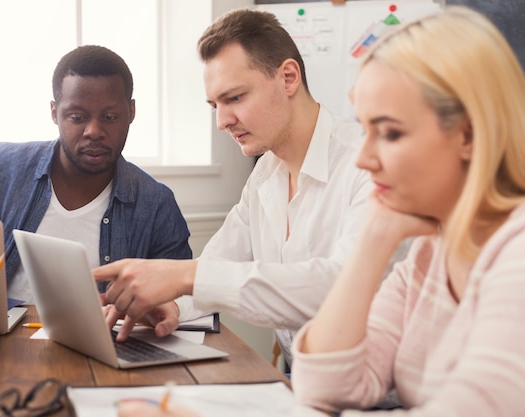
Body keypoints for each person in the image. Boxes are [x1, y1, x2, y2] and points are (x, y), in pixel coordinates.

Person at [93, 8, 408, 369]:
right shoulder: (265, 175)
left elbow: (340, 284)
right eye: (215, 105)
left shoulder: (369, 165)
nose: (222, 121)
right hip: (302, 379)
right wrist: (173, 306)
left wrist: (183, 276)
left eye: (235, 98)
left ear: (288, 78)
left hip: (388, 396)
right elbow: (219, 265)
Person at [288, 6, 525, 416]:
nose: (362, 159)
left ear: (468, 134)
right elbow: (324, 387)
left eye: (390, 133)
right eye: (365, 130)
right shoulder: (430, 252)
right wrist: (375, 236)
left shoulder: (516, 251)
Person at [0, 45, 192, 305]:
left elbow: (184, 301)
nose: (94, 130)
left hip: (102, 354)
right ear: (55, 113)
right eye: (77, 117)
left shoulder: (156, 205)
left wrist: (167, 307)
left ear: (131, 111)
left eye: (110, 117)